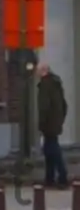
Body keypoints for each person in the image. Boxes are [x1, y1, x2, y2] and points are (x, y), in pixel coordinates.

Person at [37, 59, 69, 188]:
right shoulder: (56, 84)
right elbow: (64, 105)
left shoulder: (45, 85)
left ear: (43, 71)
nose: (36, 73)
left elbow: (44, 106)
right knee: (49, 150)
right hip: (55, 122)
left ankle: (62, 177)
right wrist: (60, 119)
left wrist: (41, 123)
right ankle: (49, 178)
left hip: (49, 124)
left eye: (38, 70)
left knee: (53, 151)